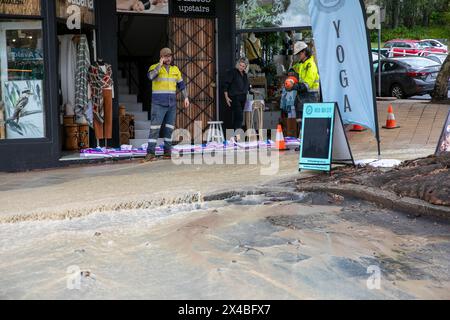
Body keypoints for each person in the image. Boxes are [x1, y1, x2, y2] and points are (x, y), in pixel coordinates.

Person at [145, 47, 190, 162]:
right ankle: (150, 153)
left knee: (169, 129)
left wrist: (186, 97)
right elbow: (150, 77)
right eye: (165, 56)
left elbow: (181, 85)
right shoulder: (154, 68)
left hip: (171, 105)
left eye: (169, 56)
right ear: (161, 57)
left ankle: (167, 152)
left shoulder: (175, 69)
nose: (168, 58)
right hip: (158, 104)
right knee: (155, 129)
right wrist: (159, 65)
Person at [292, 41, 320, 119]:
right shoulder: (302, 63)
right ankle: (301, 131)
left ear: (304, 52)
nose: (298, 56)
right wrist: (291, 70)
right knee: (300, 120)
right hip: (303, 97)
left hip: (310, 97)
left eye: (299, 54)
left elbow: (306, 85)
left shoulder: (310, 65)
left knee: (308, 122)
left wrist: (294, 86)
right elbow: (296, 67)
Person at [224, 58, 251, 138]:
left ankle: (233, 137)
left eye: (243, 66)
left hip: (243, 98)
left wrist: (254, 90)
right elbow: (226, 85)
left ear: (246, 67)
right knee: (239, 117)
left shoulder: (245, 75)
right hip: (234, 97)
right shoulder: (232, 72)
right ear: (238, 64)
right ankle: (237, 136)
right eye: (240, 65)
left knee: (237, 117)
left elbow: (247, 86)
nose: (241, 67)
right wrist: (226, 97)